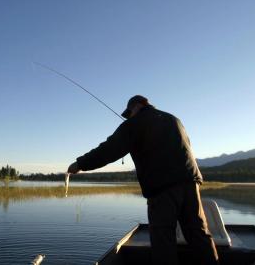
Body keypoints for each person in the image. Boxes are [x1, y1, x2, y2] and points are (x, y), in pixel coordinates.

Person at [67, 95, 219, 265]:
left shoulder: (135, 123)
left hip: (162, 189)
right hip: (191, 183)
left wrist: (79, 164)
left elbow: (109, 150)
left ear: (138, 106)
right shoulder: (174, 120)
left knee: (163, 240)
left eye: (129, 113)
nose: (128, 116)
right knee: (199, 234)